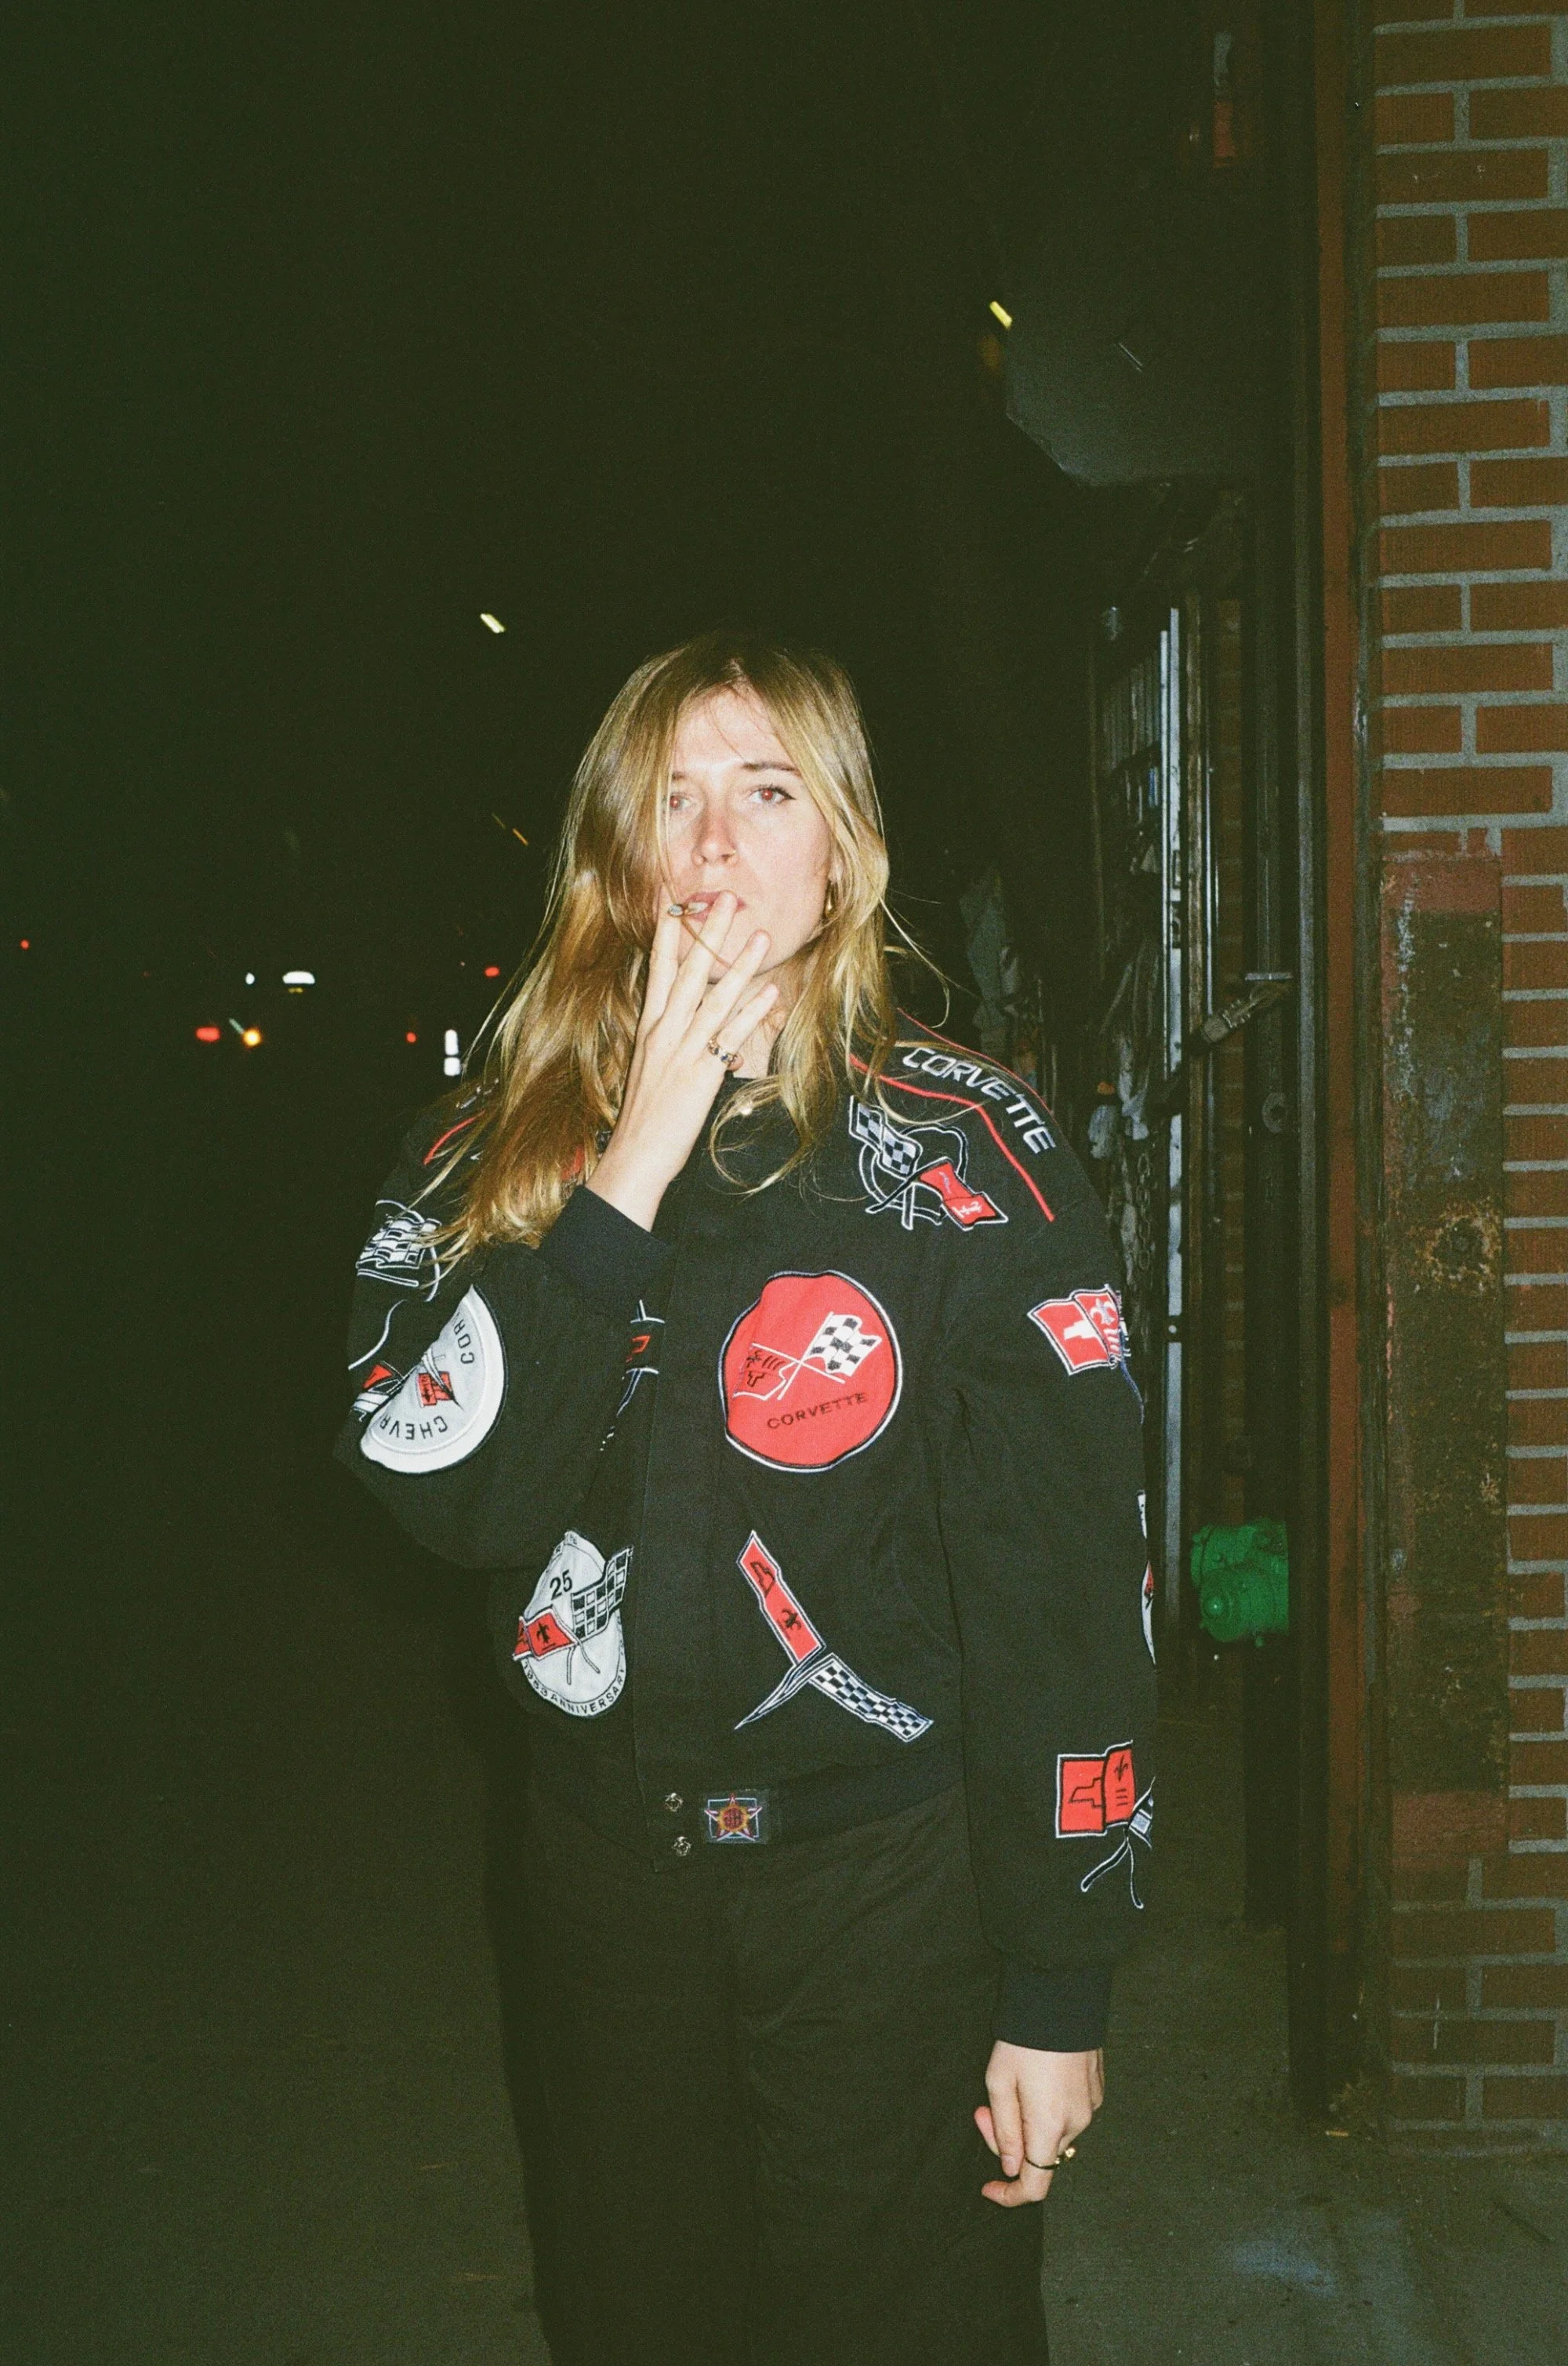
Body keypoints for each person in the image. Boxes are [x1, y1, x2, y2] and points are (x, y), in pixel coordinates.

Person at [335, 630, 1156, 2366]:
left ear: (842, 848)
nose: (713, 842)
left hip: (887, 1884)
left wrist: (1056, 1981)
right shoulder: (480, 1151)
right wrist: (627, 1152)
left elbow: (1064, 1581)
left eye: (765, 792)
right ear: (613, 859)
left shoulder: (964, 1150)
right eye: (673, 799)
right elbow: (448, 1497)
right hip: (601, 1879)